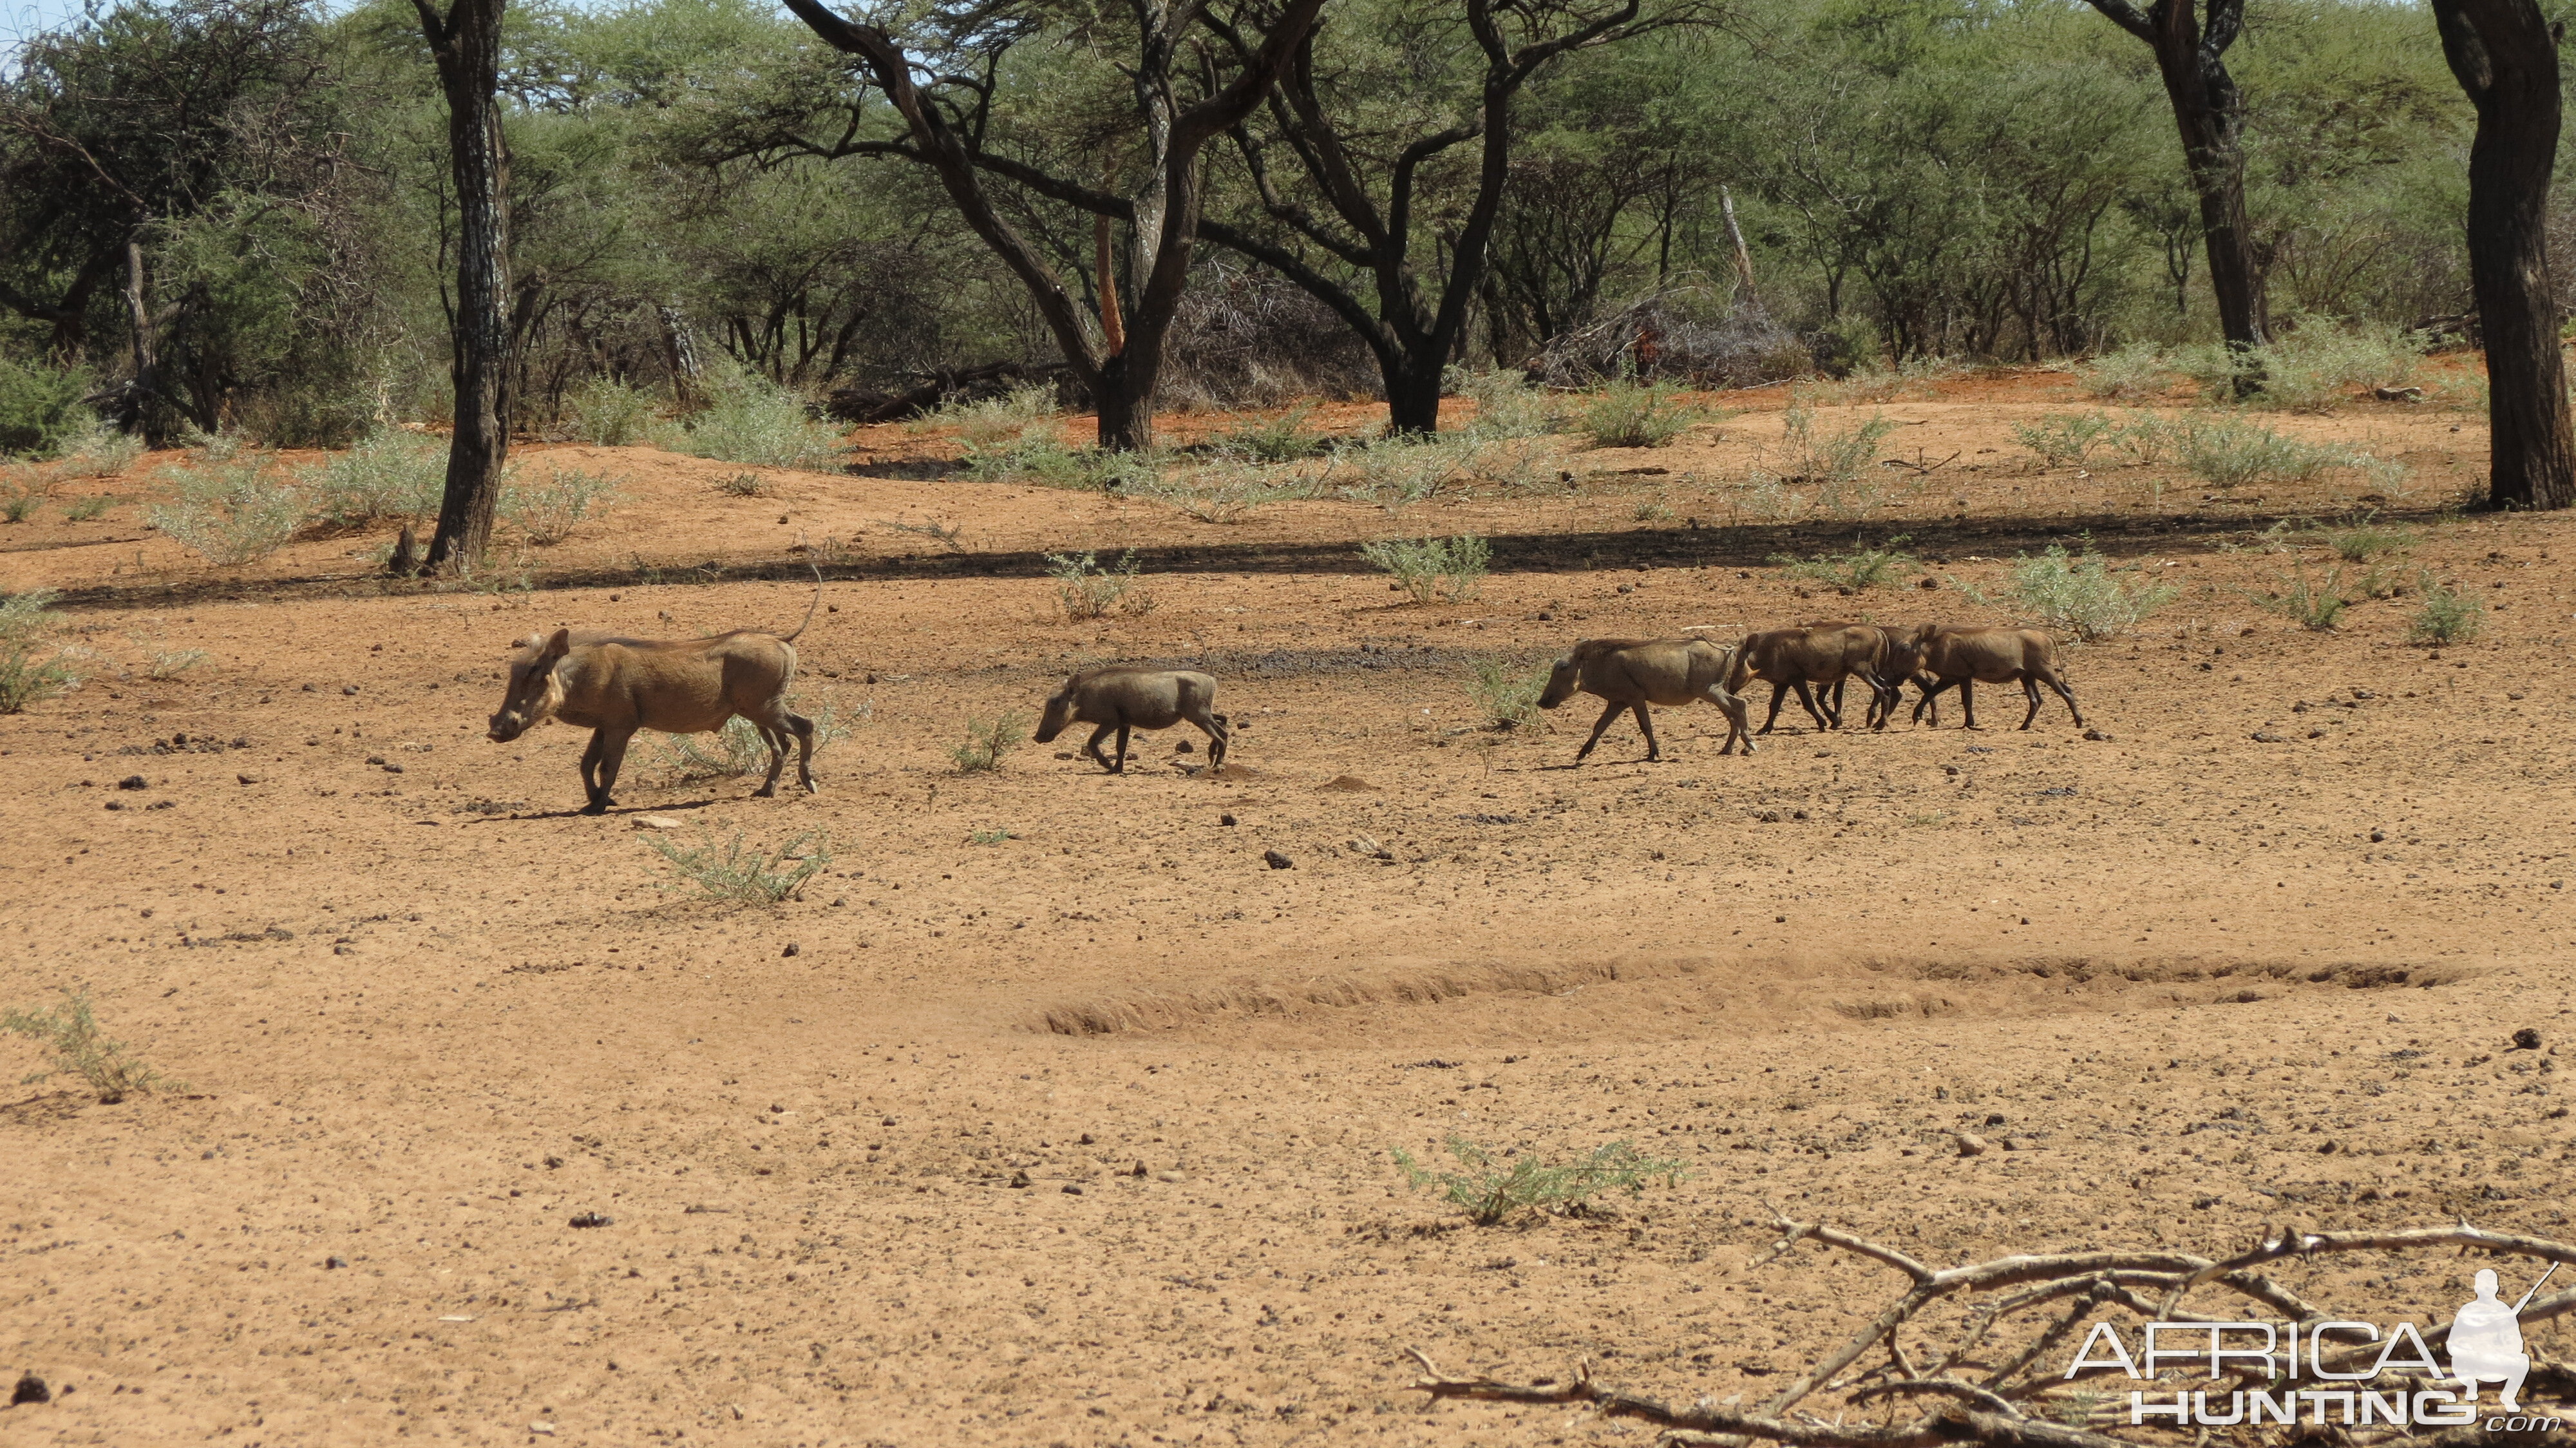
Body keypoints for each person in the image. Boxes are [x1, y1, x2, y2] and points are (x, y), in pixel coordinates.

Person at [2447, 1268, 2530, 1411]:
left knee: (2523, 1360)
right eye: (2482, 1286)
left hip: (2497, 1361)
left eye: (2490, 1287)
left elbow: (2518, 1342)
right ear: (2476, 1288)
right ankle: (2471, 1387)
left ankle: (2509, 1397)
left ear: (2496, 1288)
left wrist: (2504, 1347)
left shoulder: (2504, 1310)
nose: (2486, 1290)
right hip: (2472, 1361)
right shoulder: (2467, 1310)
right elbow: (2453, 1342)